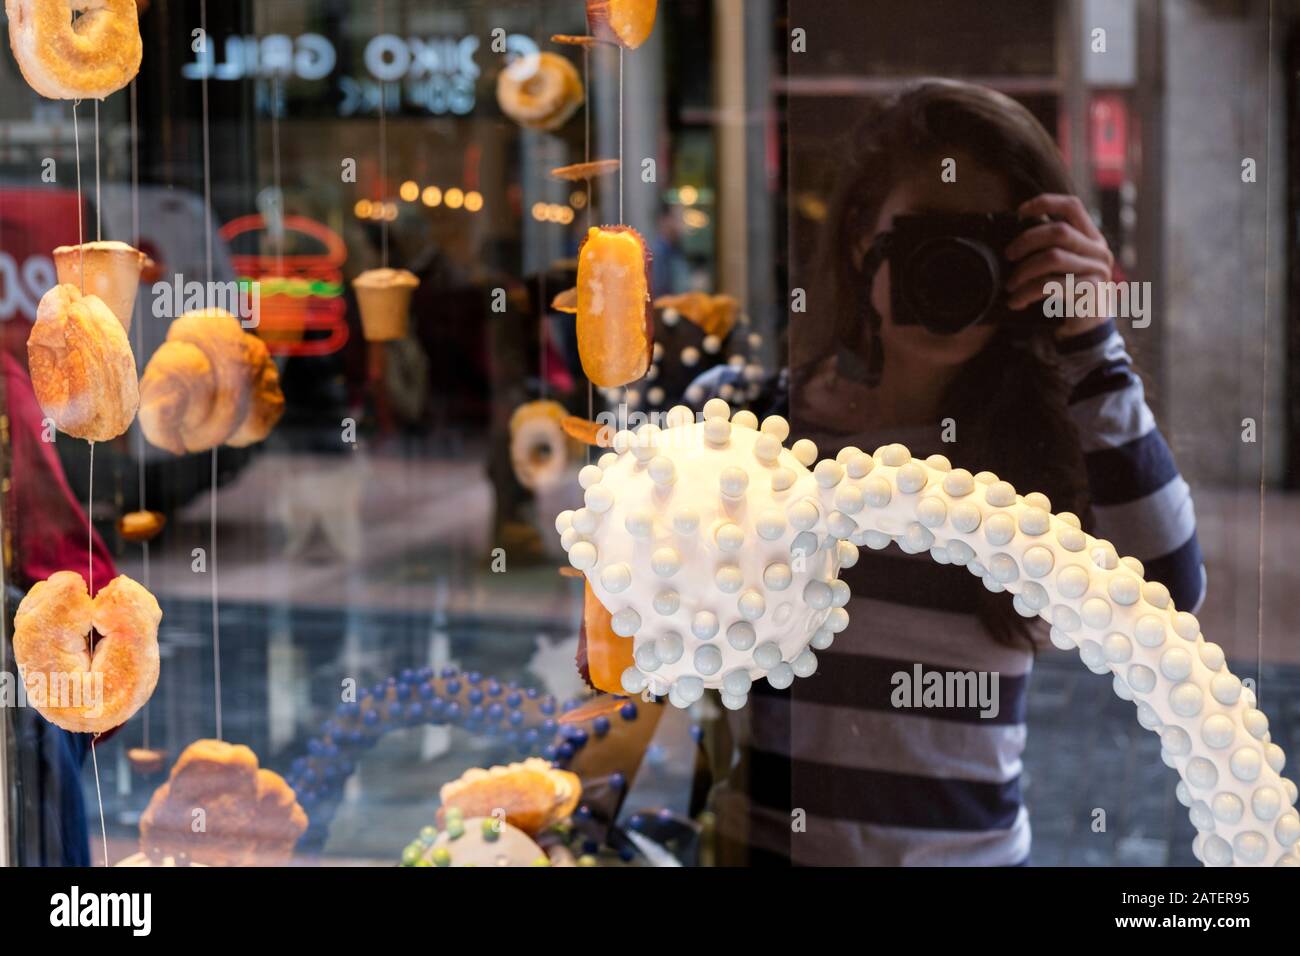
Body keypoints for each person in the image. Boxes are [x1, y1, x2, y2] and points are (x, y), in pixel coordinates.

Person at [720, 79, 1204, 866]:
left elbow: (1170, 597)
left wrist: (1093, 341)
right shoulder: (747, 424)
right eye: (926, 239)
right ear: (858, 241)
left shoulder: (1039, 459)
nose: (952, 271)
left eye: (986, 240)